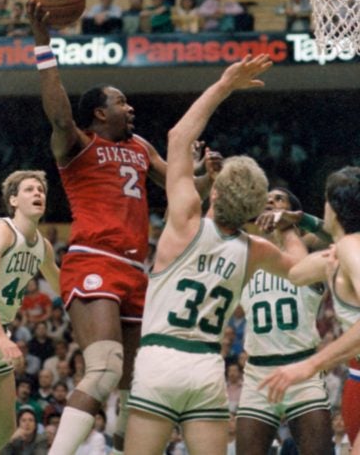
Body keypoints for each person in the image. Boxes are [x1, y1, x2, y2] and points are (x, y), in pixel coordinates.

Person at [26, 0, 220, 455]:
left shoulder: (141, 147)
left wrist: (206, 174)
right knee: (105, 368)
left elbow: (182, 191)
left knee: (139, 382)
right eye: (121, 102)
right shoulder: (77, 143)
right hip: (94, 258)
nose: (130, 108)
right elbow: (57, 112)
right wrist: (41, 41)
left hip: (136, 270)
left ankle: (120, 447)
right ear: (98, 112)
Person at [124, 54, 305, 455]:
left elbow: (177, 137)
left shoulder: (185, 219)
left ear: (216, 192)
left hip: (160, 356)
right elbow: (303, 270)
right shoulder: (255, 249)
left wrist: (224, 84)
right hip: (207, 365)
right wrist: (290, 224)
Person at [260, 167, 360, 454]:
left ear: (331, 207)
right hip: (355, 374)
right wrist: (289, 226)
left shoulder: (352, 248)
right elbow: (296, 273)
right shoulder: (340, 252)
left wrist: (310, 365)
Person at [235, 187, 333, 455]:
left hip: (303, 370)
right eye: (266, 199)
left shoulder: (310, 255)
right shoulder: (245, 252)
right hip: (258, 375)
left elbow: (339, 235)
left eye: (279, 199)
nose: (271, 202)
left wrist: (296, 220)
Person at [0, 170, 60, 454]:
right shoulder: (0, 230)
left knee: (4, 428)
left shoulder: (43, 247)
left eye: (41, 190)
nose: (38, 193)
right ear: (13, 200)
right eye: (29, 189)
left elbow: (64, 288)